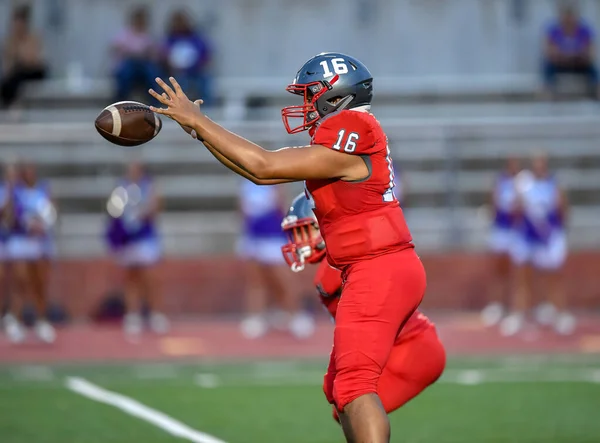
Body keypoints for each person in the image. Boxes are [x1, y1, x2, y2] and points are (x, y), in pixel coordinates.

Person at [149, 52, 424, 442]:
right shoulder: (352, 131)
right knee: (341, 388)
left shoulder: (355, 125)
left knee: (355, 387)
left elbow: (264, 166)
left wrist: (201, 121)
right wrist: (201, 132)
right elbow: (256, 173)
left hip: (379, 267)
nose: (304, 104)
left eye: (311, 94)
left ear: (336, 96)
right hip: (375, 266)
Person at [281, 193, 445, 422]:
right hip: (408, 346)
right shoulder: (333, 268)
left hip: (410, 350)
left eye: (304, 230)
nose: (298, 241)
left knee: (349, 403)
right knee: (346, 404)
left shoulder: (333, 270)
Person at [501, 152, 573, 337]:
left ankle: (558, 313)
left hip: (548, 236)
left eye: (542, 163)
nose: (539, 166)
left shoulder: (554, 184)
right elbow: (515, 209)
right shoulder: (524, 184)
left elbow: (562, 209)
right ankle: (519, 315)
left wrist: (556, 231)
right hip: (527, 236)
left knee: (553, 278)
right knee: (522, 277)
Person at [237, 180, 314, 340]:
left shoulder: (273, 182)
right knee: (255, 280)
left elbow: (281, 206)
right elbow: (242, 210)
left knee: (283, 279)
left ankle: (296, 315)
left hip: (272, 236)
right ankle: (256, 317)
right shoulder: (245, 183)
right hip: (253, 236)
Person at [105, 161, 168, 338]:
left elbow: (156, 209)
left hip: (145, 237)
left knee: (150, 278)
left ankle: (156, 314)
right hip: (128, 239)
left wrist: (142, 213)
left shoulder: (150, 186)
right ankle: (133, 315)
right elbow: (113, 211)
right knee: (130, 278)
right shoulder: (121, 188)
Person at [4, 163, 56, 343]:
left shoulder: (43, 190)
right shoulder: (15, 192)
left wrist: (43, 225)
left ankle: (41, 321)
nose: (29, 173)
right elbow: (9, 217)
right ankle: (15, 319)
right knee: (21, 281)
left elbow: (51, 214)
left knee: (39, 283)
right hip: (20, 242)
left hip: (38, 243)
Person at [480, 157, 521, 327]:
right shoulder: (500, 182)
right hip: (501, 229)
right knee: (499, 268)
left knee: (517, 270)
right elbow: (494, 204)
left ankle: (516, 307)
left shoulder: (523, 183)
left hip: (517, 231)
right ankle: (497, 304)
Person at [542, 4, 599, 99]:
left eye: (571, 17)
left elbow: (591, 52)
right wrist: (564, 56)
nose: (568, 20)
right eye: (566, 17)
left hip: (579, 63)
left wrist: (580, 56)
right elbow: (549, 52)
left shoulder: (584, 31)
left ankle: (597, 90)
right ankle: (546, 91)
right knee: (547, 67)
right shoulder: (554, 31)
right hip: (560, 63)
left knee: (593, 69)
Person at [161, 10, 212, 106]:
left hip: (196, 71)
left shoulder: (196, 38)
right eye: (177, 22)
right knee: (179, 82)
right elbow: (164, 56)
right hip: (175, 73)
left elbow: (205, 55)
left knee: (205, 81)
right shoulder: (169, 40)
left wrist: (197, 65)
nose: (180, 24)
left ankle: (207, 107)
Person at [0, 5, 47, 110]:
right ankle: (9, 104)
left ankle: (13, 103)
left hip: (34, 72)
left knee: (19, 75)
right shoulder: (10, 41)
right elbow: (8, 66)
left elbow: (33, 60)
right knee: (11, 80)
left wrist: (19, 53)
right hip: (18, 73)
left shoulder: (32, 38)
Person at [111, 7, 160, 102]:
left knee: (153, 73)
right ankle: (121, 98)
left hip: (144, 63)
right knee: (125, 73)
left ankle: (154, 100)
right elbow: (116, 48)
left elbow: (154, 53)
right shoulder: (125, 34)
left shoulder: (148, 35)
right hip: (129, 63)